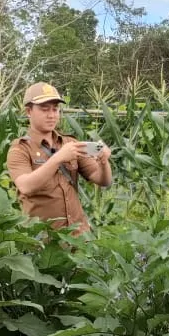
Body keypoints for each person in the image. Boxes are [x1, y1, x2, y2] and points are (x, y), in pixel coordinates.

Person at [6, 82, 113, 234]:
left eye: (55, 109)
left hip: (80, 236)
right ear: (29, 111)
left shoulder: (70, 143)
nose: (52, 115)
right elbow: (26, 186)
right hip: (45, 240)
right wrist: (58, 158)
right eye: (45, 109)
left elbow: (103, 180)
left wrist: (103, 162)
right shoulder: (20, 148)